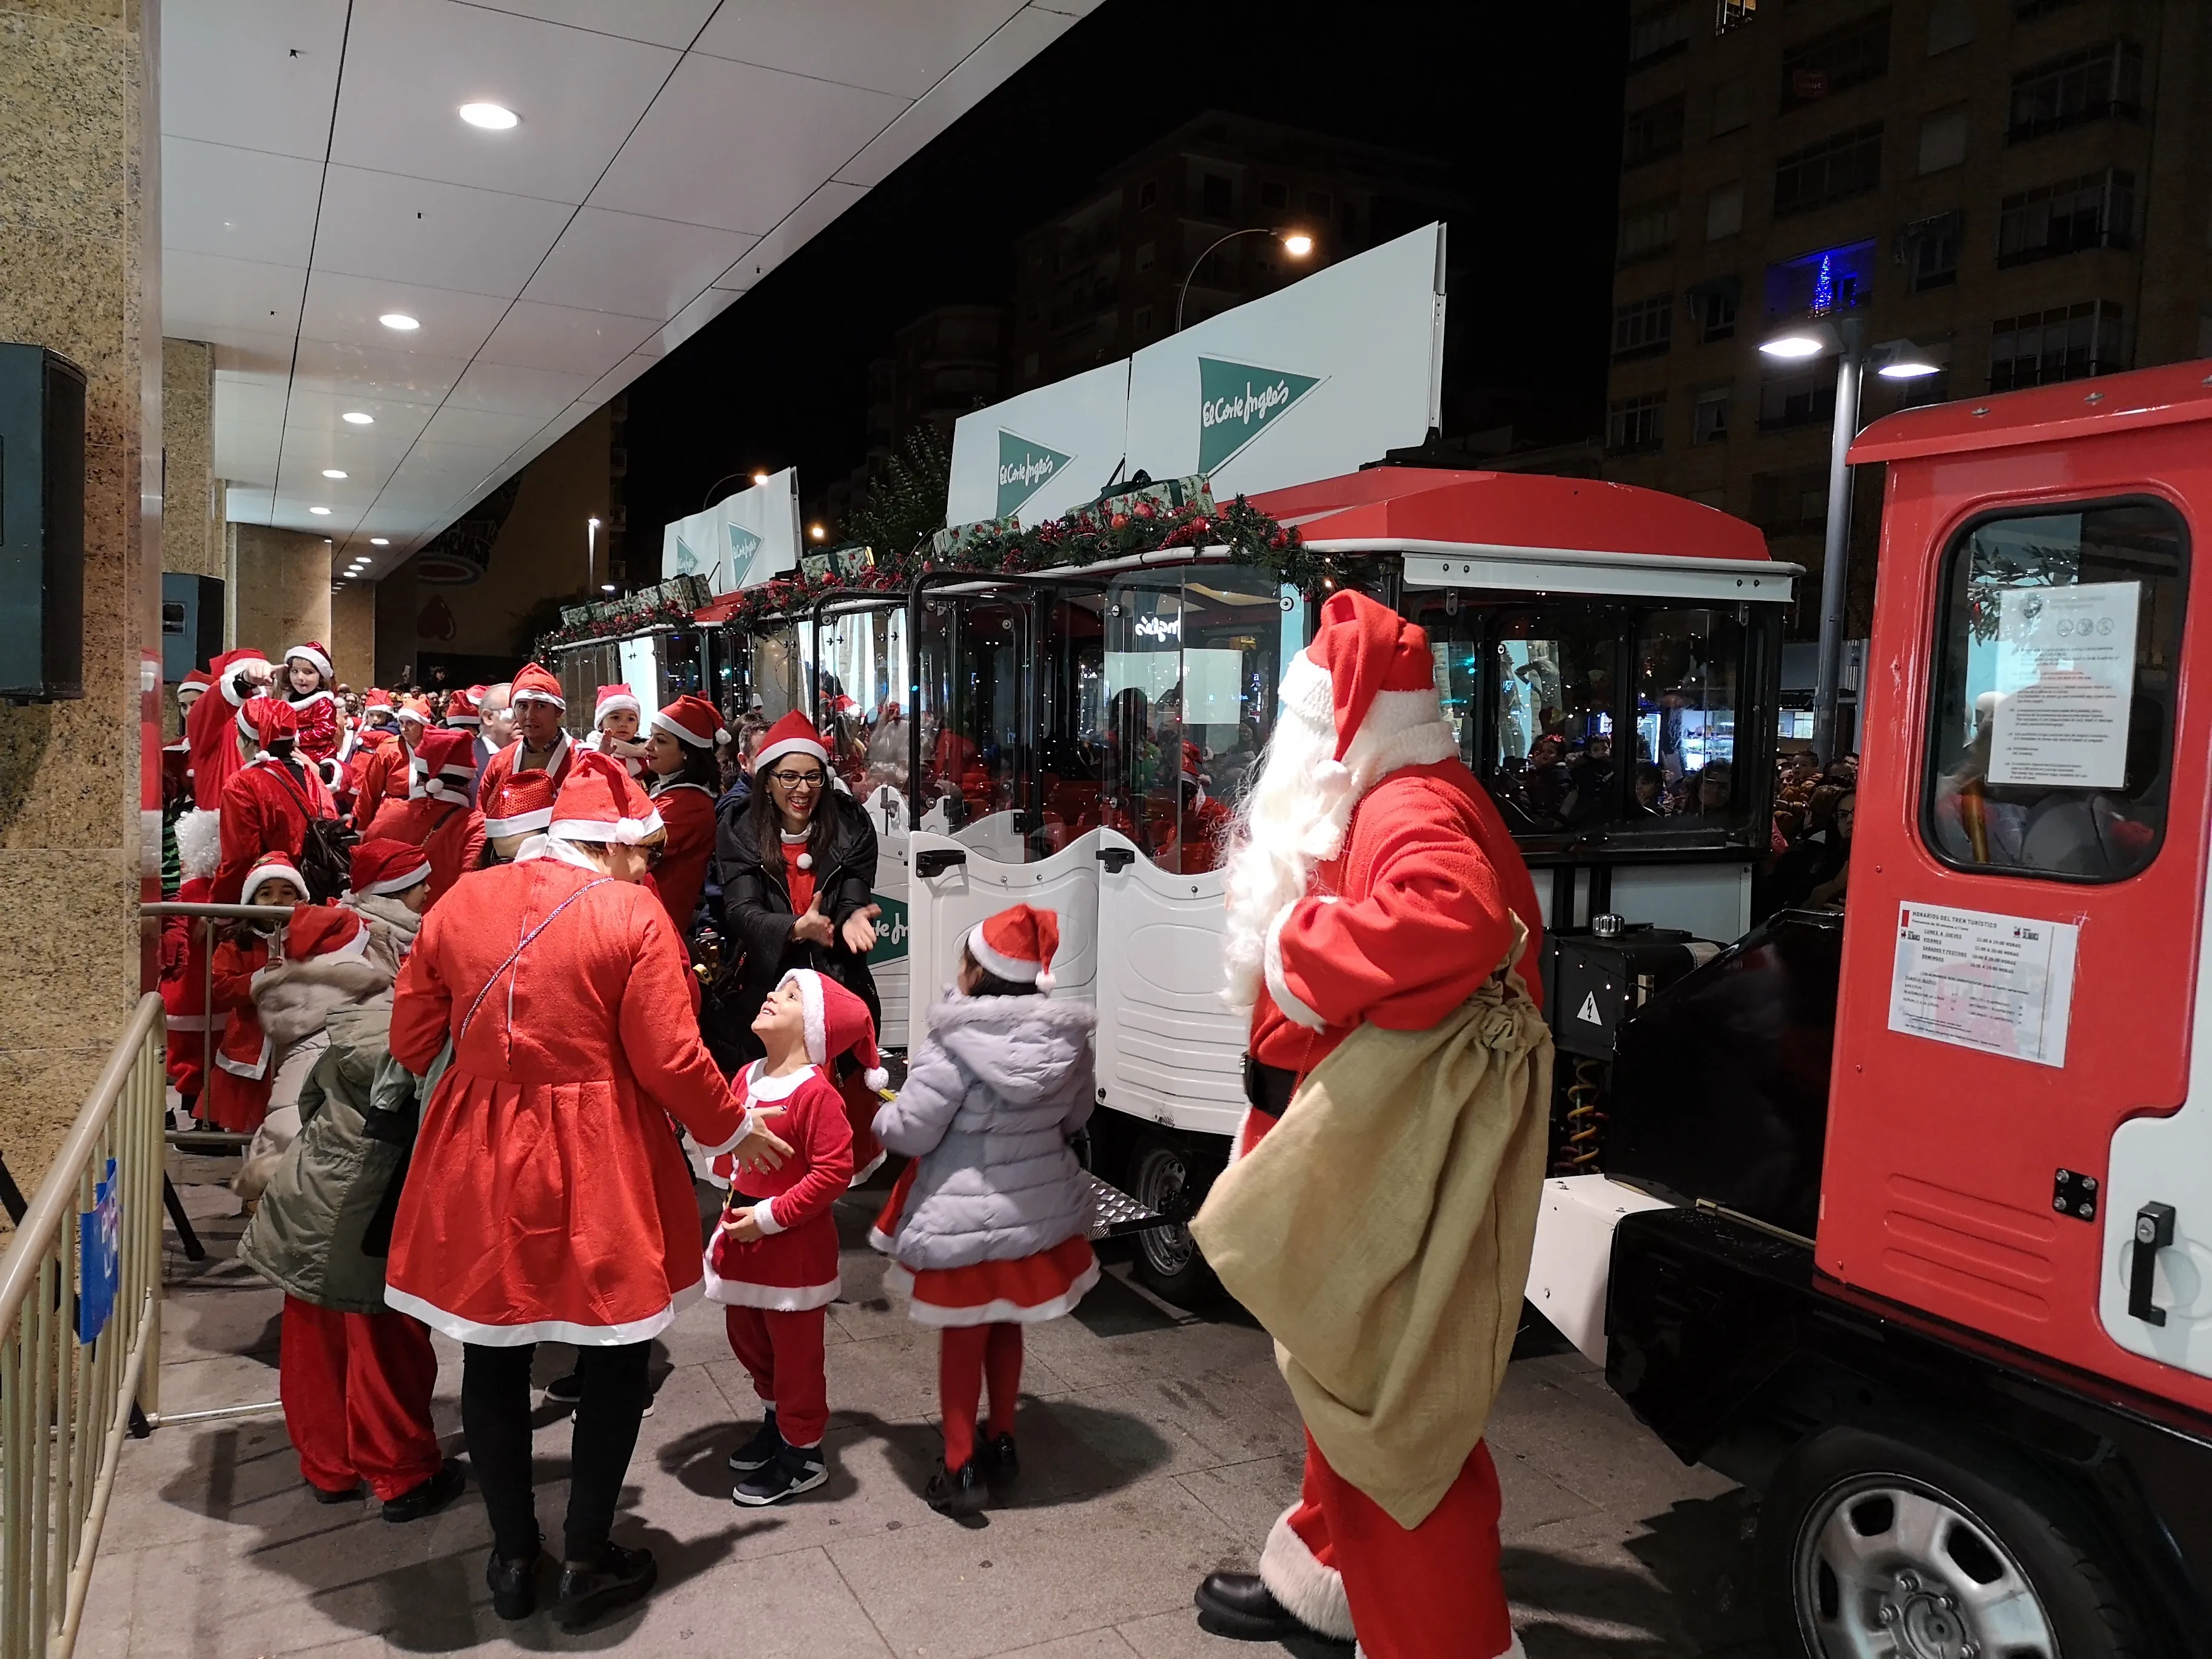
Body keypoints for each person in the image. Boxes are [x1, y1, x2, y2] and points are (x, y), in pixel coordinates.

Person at [1193, 590, 1546, 1659]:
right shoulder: (1395, 788)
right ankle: (1326, 1582)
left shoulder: (1400, 804)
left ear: (1332, 730)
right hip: (1341, 1140)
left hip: (1373, 1155)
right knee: (1344, 1396)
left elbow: (1451, 918)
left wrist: (1300, 952)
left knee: (1392, 1433)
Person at [381, 752, 791, 1631]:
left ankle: (511, 1557)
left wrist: (485, 1072)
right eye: (637, 852)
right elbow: (669, 1058)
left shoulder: (461, 900)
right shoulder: (631, 915)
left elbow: (413, 1034)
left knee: (493, 1352)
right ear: (601, 845)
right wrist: (729, 1130)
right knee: (613, 1352)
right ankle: (588, 1556)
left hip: (479, 1151)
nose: (647, 867)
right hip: (597, 1149)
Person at [234, 897, 465, 1523]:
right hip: (369, 1218)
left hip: (306, 1203)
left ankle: (329, 1469)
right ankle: (403, 1477)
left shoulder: (335, 1026)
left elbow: (301, 1107)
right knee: (385, 1348)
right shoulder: (426, 1045)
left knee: (313, 1346)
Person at [871, 905, 1098, 1517]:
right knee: (1007, 1326)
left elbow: (913, 1130)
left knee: (963, 1339)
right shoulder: (1068, 1040)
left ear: (974, 970)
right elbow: (1077, 1117)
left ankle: (958, 1463)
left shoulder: (952, 1042)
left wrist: (881, 1109)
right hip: (1033, 1213)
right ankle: (1003, 1441)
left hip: (962, 1218)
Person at [704, 969, 871, 1506]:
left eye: (793, 994)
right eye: (777, 987)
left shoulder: (817, 1094)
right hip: (743, 1245)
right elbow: (728, 1156)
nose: (773, 993)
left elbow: (832, 1171)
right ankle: (777, 1424)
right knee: (750, 1341)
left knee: (796, 1359)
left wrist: (771, 1216)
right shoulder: (746, 1075)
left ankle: (803, 1455)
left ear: (814, 1027)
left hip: (792, 1254)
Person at [706, 711, 882, 1073]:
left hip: (833, 984)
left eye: (812, 776)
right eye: (788, 777)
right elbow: (741, 910)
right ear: (767, 780)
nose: (802, 789)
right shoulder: (740, 828)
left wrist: (851, 918)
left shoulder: (851, 826)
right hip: (765, 989)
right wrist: (796, 928)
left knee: (836, 1104)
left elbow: (853, 893)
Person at [208, 854, 311, 1134]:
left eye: (287, 893)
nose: (277, 901)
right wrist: (259, 979)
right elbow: (221, 987)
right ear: (251, 900)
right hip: (250, 1045)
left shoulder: (310, 938)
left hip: (297, 1042)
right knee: (248, 1125)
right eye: (266, 894)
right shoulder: (236, 943)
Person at [215, 697, 338, 905]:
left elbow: (240, 858)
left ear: (250, 742)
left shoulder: (243, 783)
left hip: (271, 902)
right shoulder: (312, 776)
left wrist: (221, 908)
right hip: (318, 898)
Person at [366, 728, 484, 908]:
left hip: (380, 924)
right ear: (469, 781)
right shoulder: (475, 826)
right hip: (435, 928)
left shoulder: (387, 812)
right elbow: (469, 890)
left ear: (419, 775)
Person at [640, 695, 723, 934]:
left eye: (661, 740)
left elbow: (635, 851)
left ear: (687, 753)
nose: (648, 746)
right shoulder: (668, 791)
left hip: (658, 925)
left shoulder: (690, 804)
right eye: (650, 736)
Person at [474, 662, 576, 807]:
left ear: (559, 711)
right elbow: (482, 816)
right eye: (523, 706)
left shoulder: (582, 759)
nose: (530, 715)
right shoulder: (500, 763)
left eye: (540, 706)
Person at [354, 698, 428, 833]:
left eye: (410, 723)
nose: (404, 728)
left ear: (423, 725)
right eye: (401, 723)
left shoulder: (435, 748)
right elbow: (370, 792)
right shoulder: (389, 749)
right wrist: (360, 828)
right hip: (392, 816)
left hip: (426, 818)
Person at [284, 642, 344, 788]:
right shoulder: (286, 699)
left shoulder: (322, 702)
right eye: (295, 671)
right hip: (291, 754)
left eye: (308, 672)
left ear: (321, 676)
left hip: (317, 758)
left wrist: (296, 738)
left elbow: (326, 730)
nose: (300, 678)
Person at [582, 685, 648, 777]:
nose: (623, 724)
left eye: (631, 719)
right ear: (600, 724)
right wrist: (601, 757)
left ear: (637, 727)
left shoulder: (646, 755)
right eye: (616, 718)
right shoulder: (589, 750)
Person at [475, 682, 515, 777]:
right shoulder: (465, 760)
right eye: (512, 712)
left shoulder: (536, 758)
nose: (523, 718)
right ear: (488, 717)